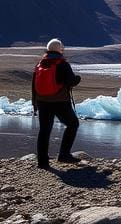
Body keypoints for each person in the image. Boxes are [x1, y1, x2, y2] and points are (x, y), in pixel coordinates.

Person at [31, 38, 82, 169]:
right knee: (73, 124)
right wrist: (77, 79)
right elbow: (71, 81)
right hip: (60, 102)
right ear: (60, 49)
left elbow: (34, 85)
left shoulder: (40, 64)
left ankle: (42, 162)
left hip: (42, 101)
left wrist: (35, 104)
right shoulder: (62, 64)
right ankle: (64, 154)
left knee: (44, 131)